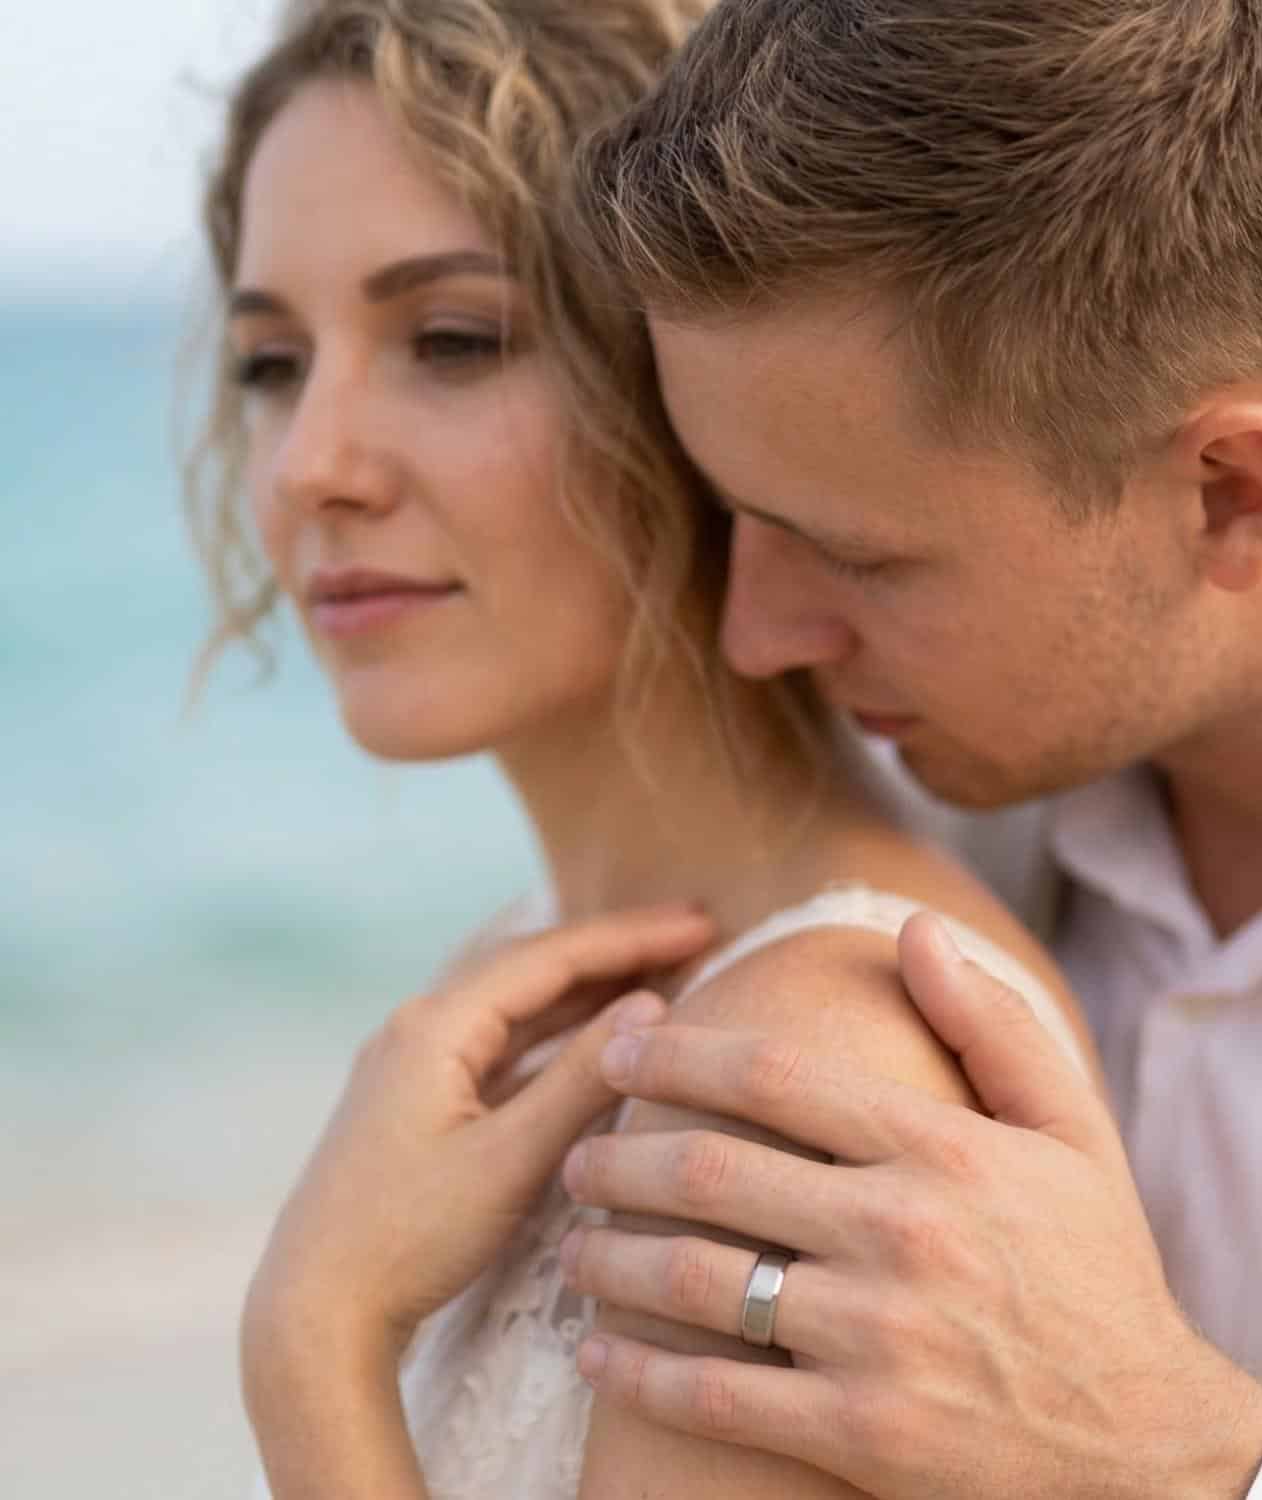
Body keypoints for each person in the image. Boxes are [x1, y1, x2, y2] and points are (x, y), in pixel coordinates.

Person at [551, 1, 1262, 1497]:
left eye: (854, 557)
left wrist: (1190, 1456)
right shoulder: (894, 851)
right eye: (734, 515)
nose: (753, 639)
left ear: (1232, 496)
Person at [188, 1, 1102, 1497]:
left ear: (685, 381)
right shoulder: (534, 962)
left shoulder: (816, 1053)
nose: (312, 469)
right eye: (272, 363)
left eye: (451, 339)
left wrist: (313, 1343)